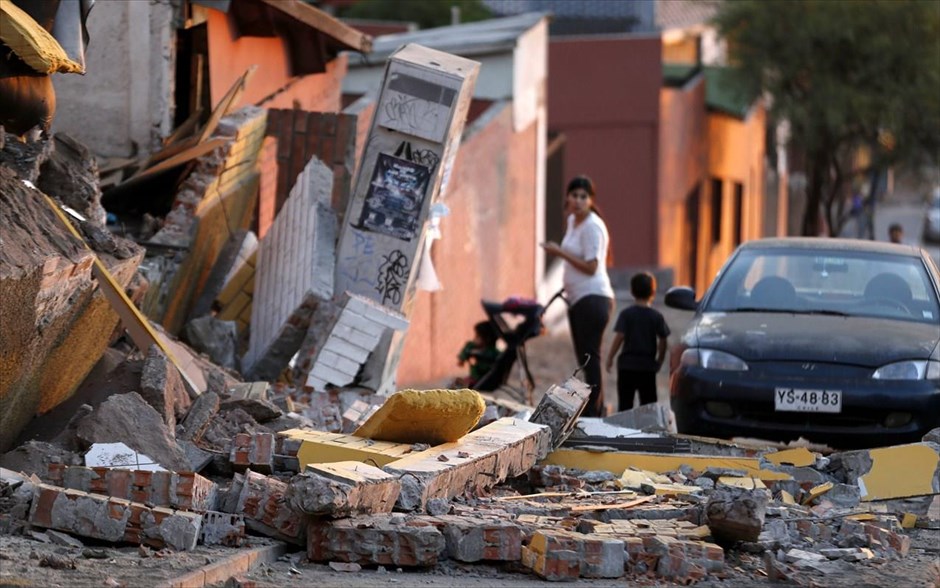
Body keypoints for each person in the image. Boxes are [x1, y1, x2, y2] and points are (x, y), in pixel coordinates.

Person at [540, 175, 615, 417]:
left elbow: (592, 266)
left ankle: (596, 411)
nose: (579, 200)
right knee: (583, 357)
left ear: (591, 200)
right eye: (575, 195)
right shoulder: (573, 220)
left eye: (584, 197)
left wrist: (559, 252)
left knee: (590, 357)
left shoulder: (593, 226)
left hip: (593, 298)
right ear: (568, 197)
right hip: (577, 299)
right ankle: (591, 407)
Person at [605, 272, 670, 412]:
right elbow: (663, 341)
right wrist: (659, 360)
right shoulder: (657, 316)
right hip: (647, 367)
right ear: (653, 292)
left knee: (625, 405)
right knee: (648, 405)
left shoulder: (626, 314)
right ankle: (647, 431)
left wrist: (610, 357)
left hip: (626, 366)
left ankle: (623, 432)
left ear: (632, 291)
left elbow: (619, 337)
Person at [455, 320, 500, 388]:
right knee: (455, 383)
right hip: (473, 377)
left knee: (458, 386)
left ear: (487, 339)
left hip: (482, 380)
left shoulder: (493, 352)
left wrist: (477, 353)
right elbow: (466, 350)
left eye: (477, 336)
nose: (474, 339)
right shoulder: (472, 346)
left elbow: (490, 356)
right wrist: (462, 359)